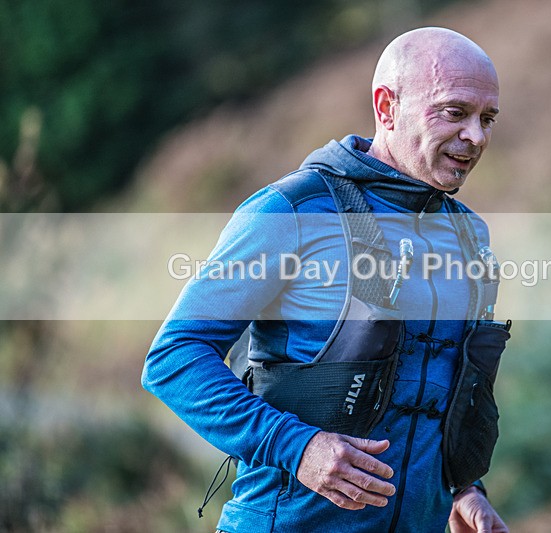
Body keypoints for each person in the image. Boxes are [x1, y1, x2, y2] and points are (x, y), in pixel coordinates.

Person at [142, 27, 509, 533]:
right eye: (454, 112)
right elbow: (173, 358)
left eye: (487, 118)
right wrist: (300, 447)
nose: (477, 136)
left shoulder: (469, 235)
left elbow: (440, 386)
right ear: (386, 107)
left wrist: (465, 490)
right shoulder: (292, 209)